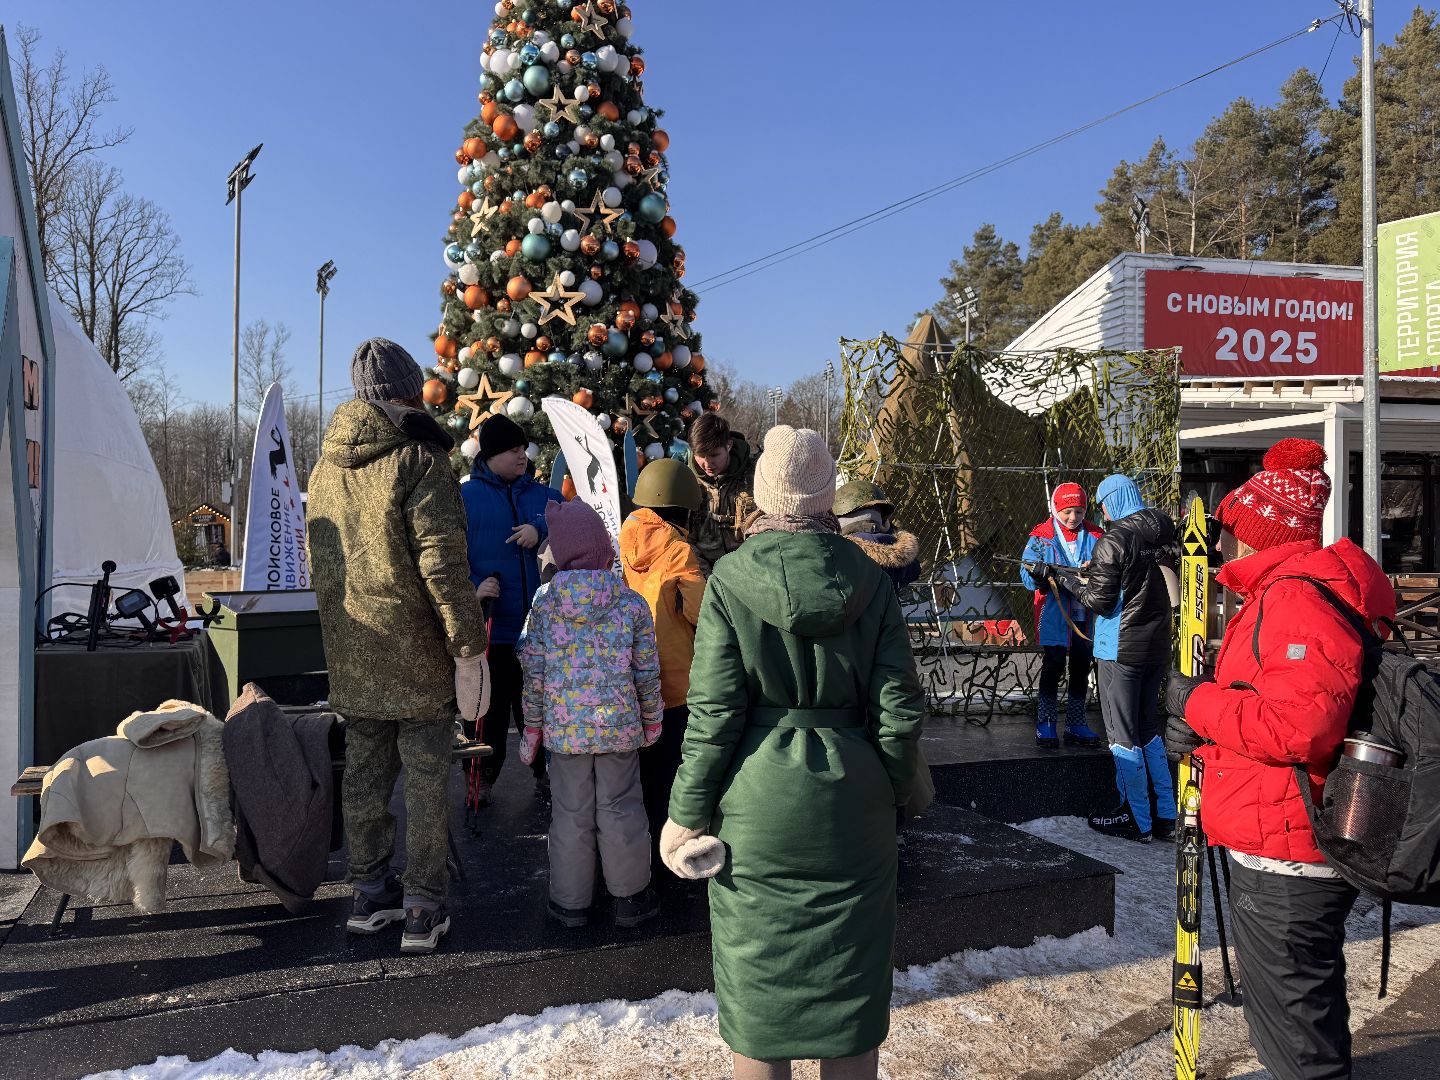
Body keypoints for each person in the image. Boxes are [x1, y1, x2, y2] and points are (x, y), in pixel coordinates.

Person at [663, 426, 925, 1080]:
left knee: (760, 990)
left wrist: (685, 812)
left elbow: (715, 715)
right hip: (854, 801)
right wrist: (895, 793)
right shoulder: (871, 579)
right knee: (850, 988)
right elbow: (898, 710)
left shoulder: (728, 579)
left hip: (757, 808)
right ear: (827, 497)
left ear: (760, 492)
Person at [1164, 439, 1394, 1080]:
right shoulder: (1293, 594)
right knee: (1303, 1017)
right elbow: (1272, 715)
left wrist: (1198, 703)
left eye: (1235, 529)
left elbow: (1301, 729)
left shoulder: (1292, 601)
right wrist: (1203, 737)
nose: (1226, 545)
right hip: (1290, 834)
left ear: (1259, 534)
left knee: (1295, 1040)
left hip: (1288, 854)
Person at [307, 337, 488, 954]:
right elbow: (441, 564)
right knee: (427, 780)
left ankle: (368, 893)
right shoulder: (418, 460)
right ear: (408, 390)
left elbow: (322, 565)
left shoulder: (325, 468)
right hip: (417, 655)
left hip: (354, 653)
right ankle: (423, 905)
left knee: (363, 778)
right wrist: (468, 645)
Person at [518, 499, 663, 929]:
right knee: (621, 807)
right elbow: (647, 671)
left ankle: (570, 904)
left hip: (566, 733)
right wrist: (652, 718)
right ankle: (631, 899)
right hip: (619, 726)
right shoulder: (630, 603)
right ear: (604, 550)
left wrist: (533, 725)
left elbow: (534, 670)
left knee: (570, 812)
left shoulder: (544, 604)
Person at [462, 413, 563, 804]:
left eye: (523, 448)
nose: (522, 455)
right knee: (487, 712)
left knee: (538, 709)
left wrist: (541, 527)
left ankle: (548, 773)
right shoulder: (465, 498)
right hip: (492, 630)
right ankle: (479, 777)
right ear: (491, 455)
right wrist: (474, 587)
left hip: (539, 631)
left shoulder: (543, 497)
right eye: (513, 449)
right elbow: (446, 555)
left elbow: (578, 521)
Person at [1071, 473, 1177, 843]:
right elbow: (1141, 579)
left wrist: (1070, 582)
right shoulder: (1163, 531)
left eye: (1102, 504)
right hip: (1156, 646)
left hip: (1120, 647)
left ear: (1112, 502)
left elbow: (1099, 601)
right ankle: (1166, 815)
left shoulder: (1112, 540)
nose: (1100, 511)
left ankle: (1136, 818)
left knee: (1121, 734)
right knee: (1149, 730)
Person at [619, 458, 707, 883]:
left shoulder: (620, 542)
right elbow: (700, 614)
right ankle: (674, 860)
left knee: (639, 779)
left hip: (629, 683)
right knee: (673, 775)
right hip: (675, 685)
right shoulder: (679, 551)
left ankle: (640, 864)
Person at [1019, 482, 1104, 749]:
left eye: (1079, 511)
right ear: (1056, 509)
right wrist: (1037, 574)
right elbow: (1025, 575)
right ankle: (1045, 722)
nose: (1073, 517)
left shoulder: (1097, 535)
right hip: (1053, 611)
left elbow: (1110, 568)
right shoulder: (1041, 536)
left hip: (1086, 612)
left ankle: (1076, 723)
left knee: (1081, 664)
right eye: (1067, 511)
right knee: (1054, 664)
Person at [687, 412, 756, 575]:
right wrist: (705, 576)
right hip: (701, 571)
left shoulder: (756, 475)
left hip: (748, 570)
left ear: (729, 445)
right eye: (700, 456)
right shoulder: (686, 479)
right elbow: (681, 537)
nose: (707, 463)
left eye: (714, 455)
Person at [834, 480, 921, 595]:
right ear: (882, 520)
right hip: (888, 613)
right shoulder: (900, 554)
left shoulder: (835, 551)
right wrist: (890, 530)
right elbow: (915, 570)